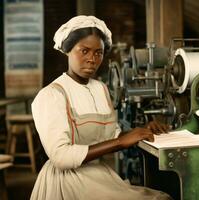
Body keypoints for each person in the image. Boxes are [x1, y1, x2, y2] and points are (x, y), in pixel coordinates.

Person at [30, 15, 173, 200]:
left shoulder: (100, 88)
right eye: (84, 51)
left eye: (98, 53)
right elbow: (61, 157)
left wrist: (140, 132)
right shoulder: (52, 95)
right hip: (67, 183)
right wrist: (121, 142)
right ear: (68, 51)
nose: (92, 59)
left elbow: (112, 135)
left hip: (99, 174)